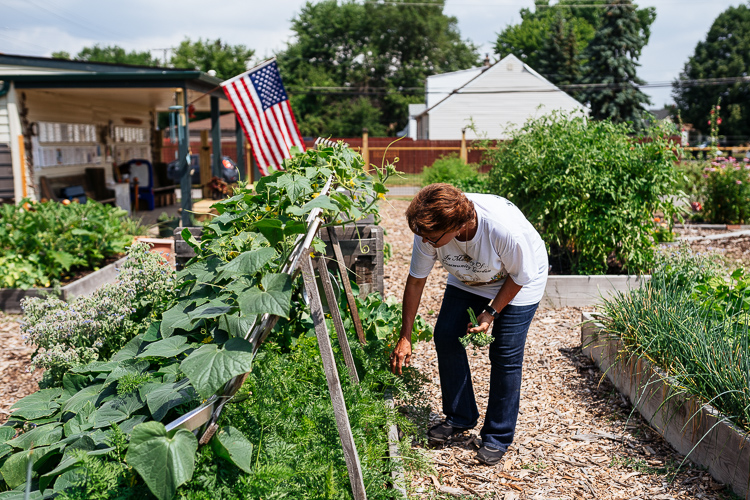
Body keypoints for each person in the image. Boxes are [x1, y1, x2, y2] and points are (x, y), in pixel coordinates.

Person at [390, 183, 548, 465]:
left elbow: (520, 276)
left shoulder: (502, 230)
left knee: (504, 354)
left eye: (432, 238)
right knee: (446, 336)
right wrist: (406, 335)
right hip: (470, 276)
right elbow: (416, 281)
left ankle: (497, 436)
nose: (425, 242)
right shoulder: (430, 232)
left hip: (519, 278)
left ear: (459, 226)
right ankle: (460, 416)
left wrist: (491, 312)